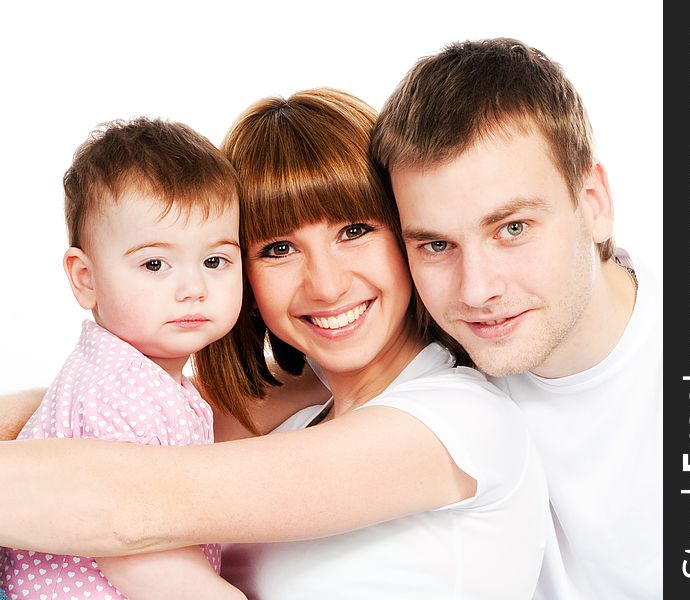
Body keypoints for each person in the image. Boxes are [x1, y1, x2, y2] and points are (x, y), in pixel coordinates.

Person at [0, 89, 548, 599]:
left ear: (408, 235)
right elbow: (105, 411)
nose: (327, 284)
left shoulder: (459, 420)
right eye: (278, 248)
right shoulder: (293, 419)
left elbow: (127, 507)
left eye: (354, 230)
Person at [369, 38, 662, 599]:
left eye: (513, 228)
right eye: (435, 245)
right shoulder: (430, 348)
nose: (477, 291)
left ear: (594, 201)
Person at [1, 118, 253, 599]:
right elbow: (137, 552)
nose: (194, 288)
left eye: (215, 260)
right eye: (155, 264)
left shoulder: (154, 380)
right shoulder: (115, 391)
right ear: (86, 278)